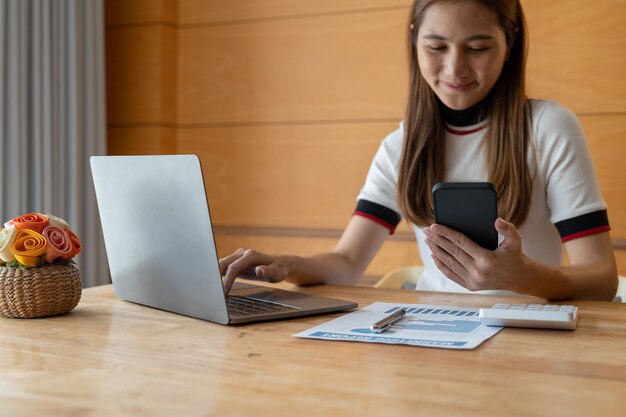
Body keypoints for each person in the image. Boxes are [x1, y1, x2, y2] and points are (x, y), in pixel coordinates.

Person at [220, 0, 618, 301]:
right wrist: (285, 264)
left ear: (509, 44)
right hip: (433, 334)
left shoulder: (548, 127)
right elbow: (347, 262)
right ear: (414, 39)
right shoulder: (401, 146)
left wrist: (523, 276)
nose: (455, 68)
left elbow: (600, 277)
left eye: (478, 48)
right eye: (436, 46)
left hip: (530, 341)